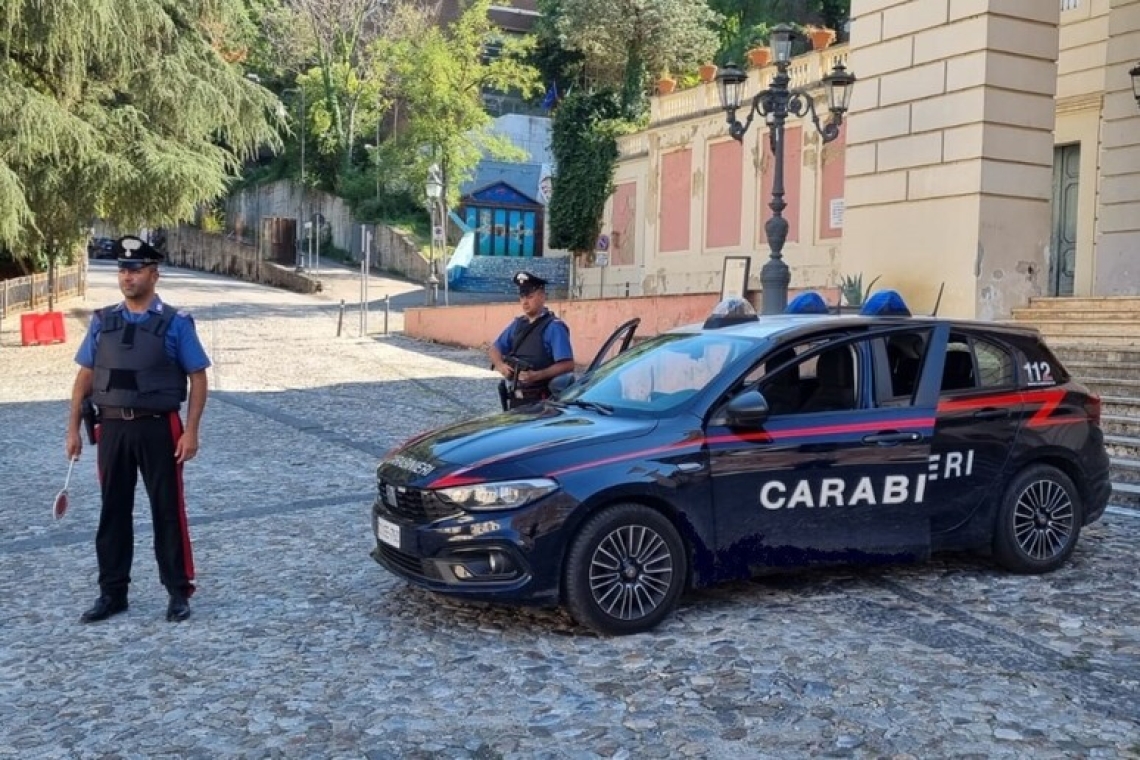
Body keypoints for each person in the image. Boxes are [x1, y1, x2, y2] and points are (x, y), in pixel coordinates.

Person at [65, 235, 211, 624]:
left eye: (135, 269)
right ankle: (112, 593)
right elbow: (84, 377)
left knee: (167, 510)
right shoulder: (102, 321)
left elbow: (198, 378)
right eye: (122, 270)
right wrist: (73, 431)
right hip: (112, 429)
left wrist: (191, 431)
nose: (127, 276)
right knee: (113, 512)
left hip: (159, 428)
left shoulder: (176, 323)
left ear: (153, 274)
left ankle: (178, 591)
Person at [489, 270, 575, 409]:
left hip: (543, 402)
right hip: (516, 399)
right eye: (522, 297)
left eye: (529, 296)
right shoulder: (518, 324)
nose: (525, 302)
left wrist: (537, 375)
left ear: (542, 296)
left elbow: (567, 365)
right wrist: (500, 365)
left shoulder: (554, 327)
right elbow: (495, 348)